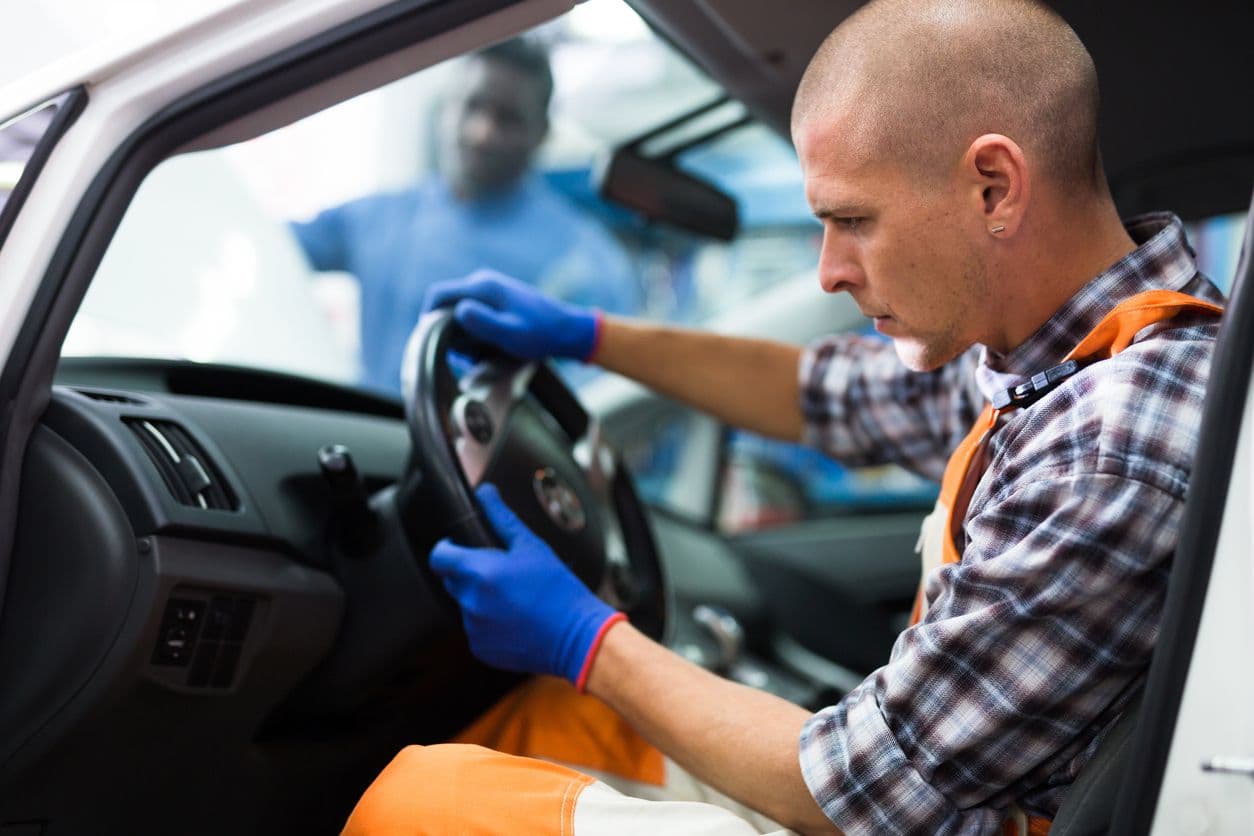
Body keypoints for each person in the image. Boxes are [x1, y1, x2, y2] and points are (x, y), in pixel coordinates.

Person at [343, 0, 1224, 833]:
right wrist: (591, 337)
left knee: (419, 800)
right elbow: (822, 394)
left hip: (897, 811)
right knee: (553, 721)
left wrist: (584, 637)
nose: (828, 272)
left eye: (852, 219)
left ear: (993, 187)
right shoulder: (1059, 358)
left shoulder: (1112, 443)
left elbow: (862, 790)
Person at [291, 38, 639, 395]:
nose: (481, 133)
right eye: (472, 106)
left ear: (542, 132)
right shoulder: (377, 217)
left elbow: (596, 400)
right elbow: (264, 248)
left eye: (508, 118)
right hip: (361, 435)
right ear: (446, 108)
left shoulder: (584, 258)